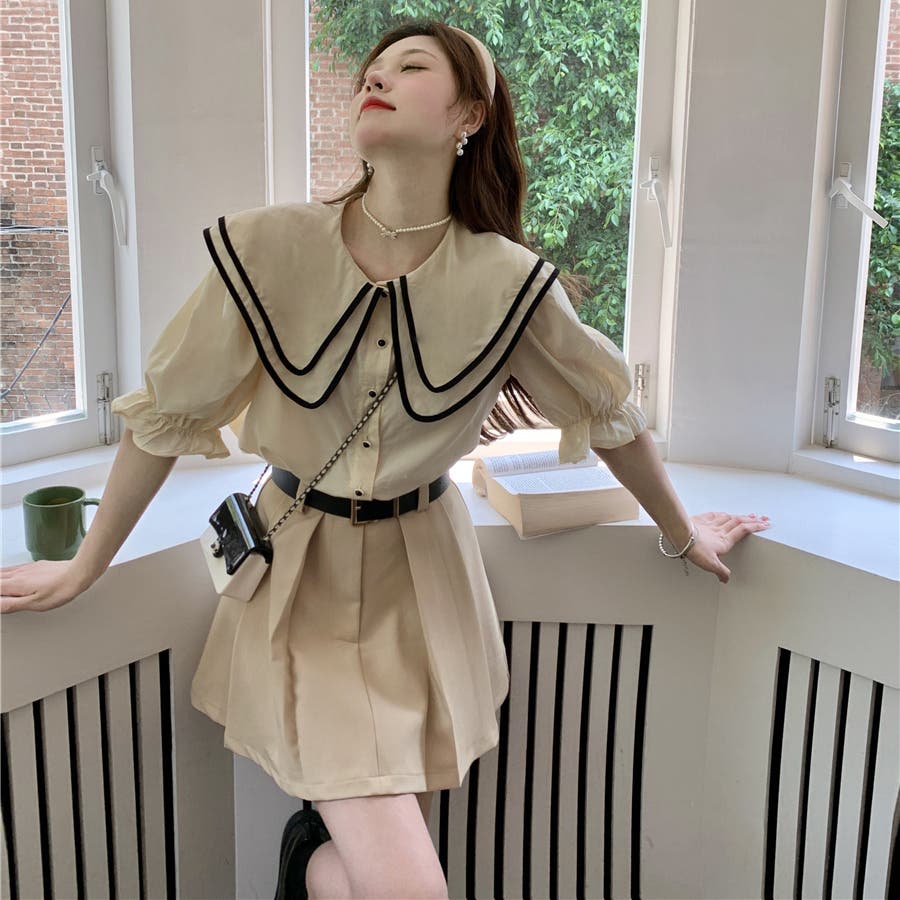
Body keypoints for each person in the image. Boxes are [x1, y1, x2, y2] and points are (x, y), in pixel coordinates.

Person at [0, 20, 771, 900]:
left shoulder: (508, 282)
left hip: (425, 582)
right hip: (302, 583)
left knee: (387, 867)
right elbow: (165, 412)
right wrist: (86, 566)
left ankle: (306, 865)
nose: (376, 78)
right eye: (372, 70)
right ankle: (307, 859)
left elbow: (609, 416)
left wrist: (682, 533)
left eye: (410, 67)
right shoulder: (268, 248)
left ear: (469, 116)